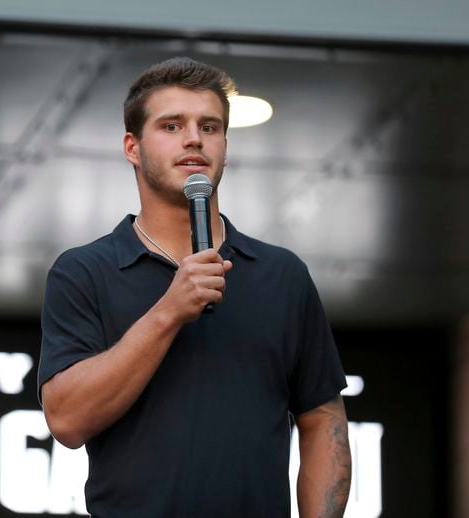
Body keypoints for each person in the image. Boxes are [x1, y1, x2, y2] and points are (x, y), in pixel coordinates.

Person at [37, 57, 351, 517]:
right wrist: (169, 311)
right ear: (132, 147)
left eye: (210, 127)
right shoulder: (85, 271)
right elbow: (66, 420)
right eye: (170, 125)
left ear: (225, 144)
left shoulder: (282, 275)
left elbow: (323, 419)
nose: (193, 139)